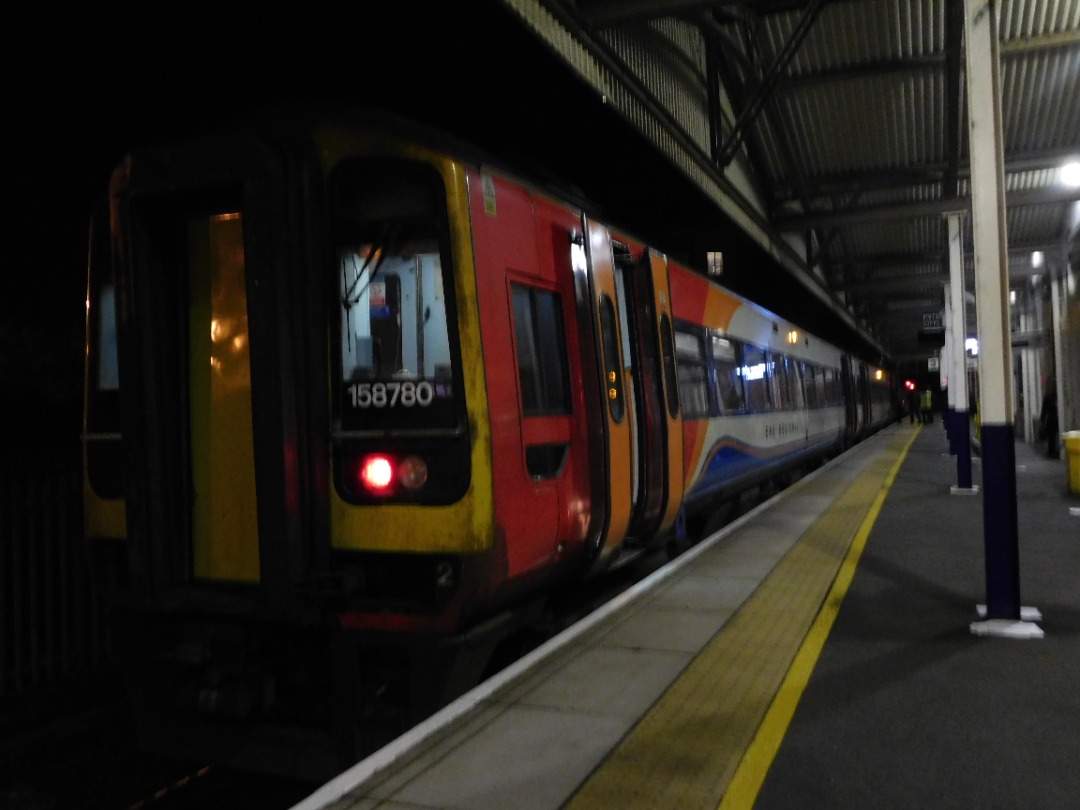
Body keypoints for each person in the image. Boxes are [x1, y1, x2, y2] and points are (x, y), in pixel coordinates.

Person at [1040, 376, 1059, 459]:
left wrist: (1042, 420)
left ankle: (1052, 451)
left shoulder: (1047, 396)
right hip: (1055, 418)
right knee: (1053, 435)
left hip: (1051, 419)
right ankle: (1054, 450)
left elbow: (1044, 410)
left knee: (1051, 436)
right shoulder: (1055, 395)